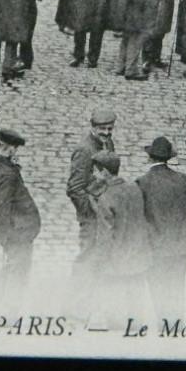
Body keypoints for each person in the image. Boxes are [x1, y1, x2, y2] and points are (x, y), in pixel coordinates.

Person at [89, 150, 154, 329]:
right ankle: (137, 326)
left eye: (95, 171)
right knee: (136, 294)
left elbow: (105, 235)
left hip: (117, 257)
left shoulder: (106, 197)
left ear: (104, 172)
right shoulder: (134, 187)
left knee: (113, 295)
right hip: (139, 252)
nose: (93, 175)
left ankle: (114, 328)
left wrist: (98, 260)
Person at [137, 135, 186, 316]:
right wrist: (183, 229)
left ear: (150, 158)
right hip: (180, 245)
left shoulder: (142, 182)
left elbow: (140, 215)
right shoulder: (182, 179)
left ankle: (162, 322)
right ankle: (175, 324)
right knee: (177, 287)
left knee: (157, 287)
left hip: (155, 245)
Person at [66, 109, 117, 315]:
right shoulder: (84, 150)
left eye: (109, 129)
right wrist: (90, 213)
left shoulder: (108, 144)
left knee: (102, 258)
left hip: (105, 212)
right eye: (102, 129)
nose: (106, 133)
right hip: (92, 216)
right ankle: (72, 308)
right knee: (86, 259)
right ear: (92, 128)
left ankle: (92, 305)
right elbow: (74, 189)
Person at [0, 127, 42, 300]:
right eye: (14, 148)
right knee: (18, 271)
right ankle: (8, 310)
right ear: (7, 147)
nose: (15, 151)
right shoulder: (6, 174)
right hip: (18, 232)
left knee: (16, 268)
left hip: (20, 230)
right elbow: (1, 208)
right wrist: (8, 239)